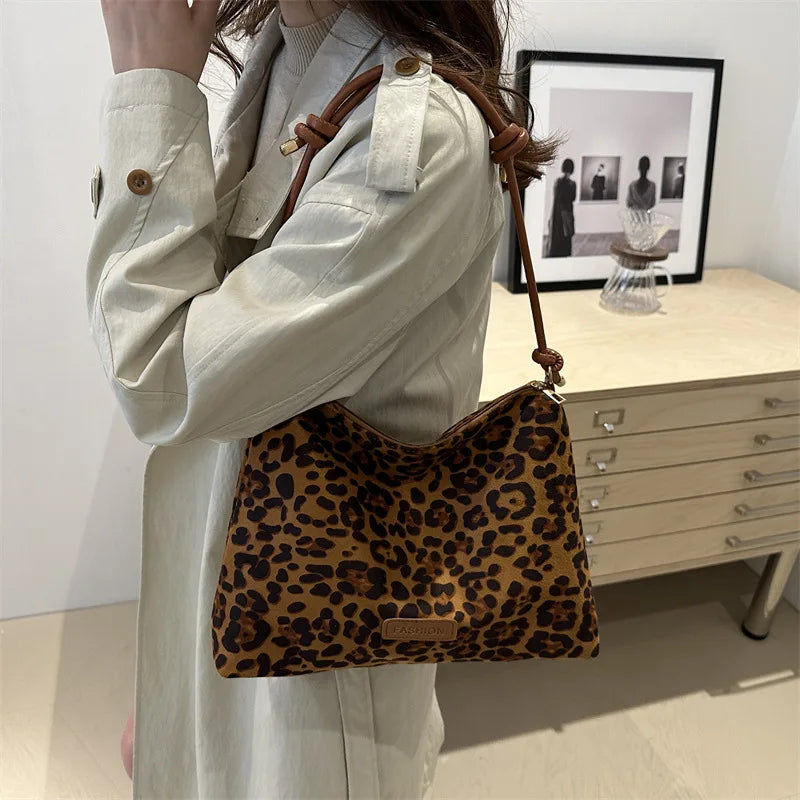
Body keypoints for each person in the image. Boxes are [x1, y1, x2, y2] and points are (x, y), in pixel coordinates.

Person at [90, 0, 562, 797]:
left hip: (314, 683)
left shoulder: (414, 134)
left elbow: (159, 376)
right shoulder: (286, 48)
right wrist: (174, 681)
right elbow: (220, 355)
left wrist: (149, 94)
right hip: (237, 603)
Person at [547, 157, 576, 257]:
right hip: (566, 211)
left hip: (558, 212)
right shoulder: (572, 184)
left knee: (558, 233)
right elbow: (573, 198)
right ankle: (565, 253)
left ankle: (555, 252)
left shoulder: (558, 182)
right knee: (566, 234)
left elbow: (557, 197)